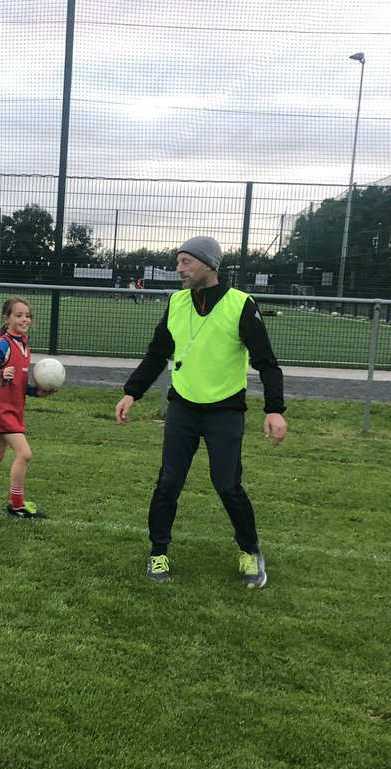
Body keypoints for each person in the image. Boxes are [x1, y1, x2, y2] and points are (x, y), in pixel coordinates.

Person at [114, 236, 287, 587]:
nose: (178, 269)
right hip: (183, 409)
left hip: (225, 411)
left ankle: (250, 552)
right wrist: (132, 392)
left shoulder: (241, 305)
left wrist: (274, 409)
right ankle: (158, 552)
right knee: (168, 483)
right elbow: (156, 354)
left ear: (208, 265)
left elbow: (267, 363)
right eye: (178, 262)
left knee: (227, 485)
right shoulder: (177, 303)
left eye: (185, 262)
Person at [0, 297, 54, 519]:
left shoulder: (24, 345)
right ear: (6, 319)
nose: (24, 319)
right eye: (18, 315)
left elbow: (18, 381)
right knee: (25, 453)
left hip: (13, 408)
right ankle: (16, 504)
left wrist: (35, 392)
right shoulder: (2, 344)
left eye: (27, 315)